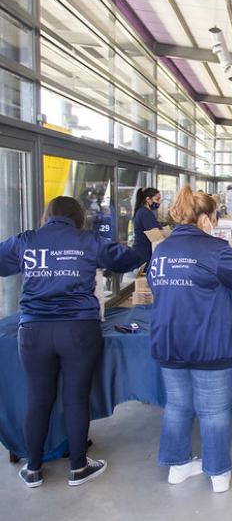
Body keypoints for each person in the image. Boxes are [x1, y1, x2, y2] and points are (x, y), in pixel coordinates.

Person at [0, 197, 146, 488]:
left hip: (33, 331)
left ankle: (33, 468)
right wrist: (145, 241)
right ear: (79, 217)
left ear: (47, 215)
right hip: (78, 328)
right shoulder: (87, 240)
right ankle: (78, 466)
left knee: (37, 399)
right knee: (76, 397)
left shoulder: (26, 240)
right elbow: (128, 259)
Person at [147, 186, 232, 493]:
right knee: (214, 411)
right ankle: (218, 473)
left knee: (177, 406)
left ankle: (177, 466)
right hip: (211, 345)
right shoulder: (216, 250)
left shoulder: (162, 251)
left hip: (170, 342)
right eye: (214, 216)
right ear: (207, 218)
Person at [132, 187, 162, 261]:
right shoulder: (144, 213)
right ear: (148, 199)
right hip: (143, 253)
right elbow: (156, 235)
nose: (159, 202)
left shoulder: (143, 212)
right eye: (157, 199)